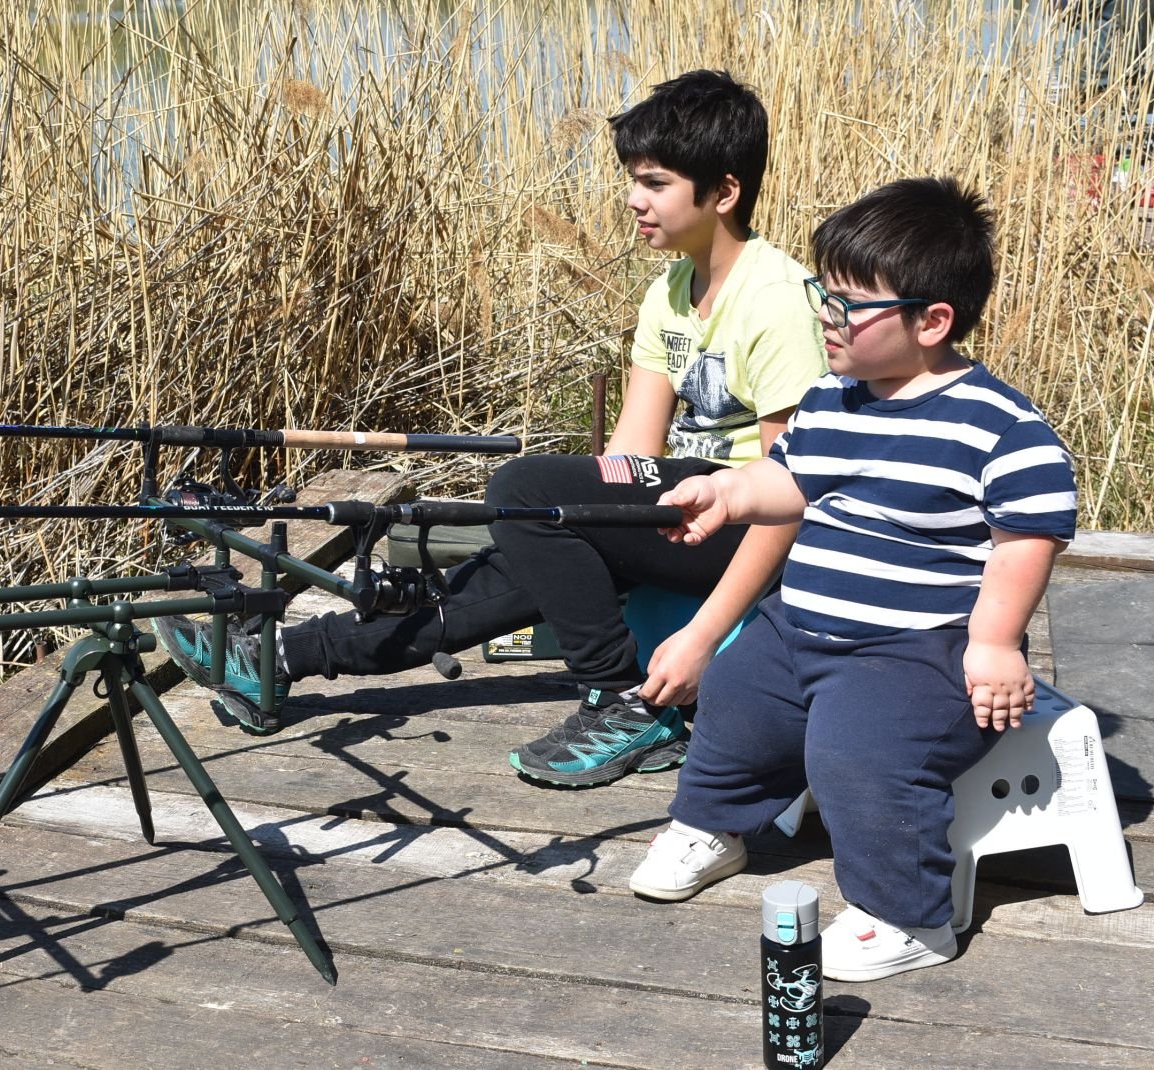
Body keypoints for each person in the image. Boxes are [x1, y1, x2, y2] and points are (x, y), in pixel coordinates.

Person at [154, 69, 826, 788]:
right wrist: (568, 528)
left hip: (742, 526)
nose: (635, 199)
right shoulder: (669, 291)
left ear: (724, 192)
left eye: (656, 183)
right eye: (634, 180)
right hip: (675, 512)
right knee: (516, 543)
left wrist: (701, 630)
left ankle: (619, 701)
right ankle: (283, 659)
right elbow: (629, 454)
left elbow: (792, 495)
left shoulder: (776, 299)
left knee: (524, 487)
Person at [627, 177, 1078, 982]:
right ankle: (714, 826)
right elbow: (789, 482)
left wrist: (994, 642)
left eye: (848, 306)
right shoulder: (833, 399)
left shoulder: (1000, 429)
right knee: (734, 697)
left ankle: (909, 914)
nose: (826, 319)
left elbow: (1023, 543)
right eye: (823, 296)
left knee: (859, 753)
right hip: (799, 626)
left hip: (914, 652)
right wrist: (727, 494)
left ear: (931, 321)